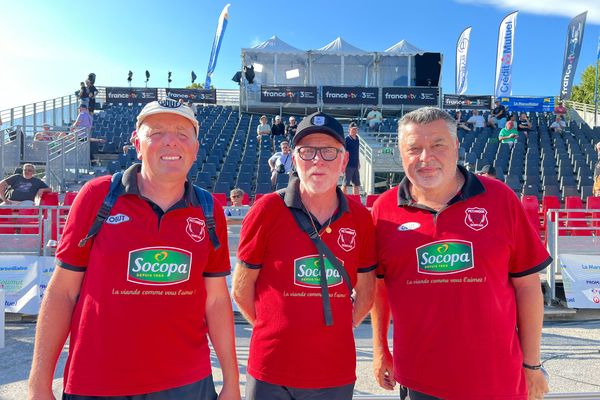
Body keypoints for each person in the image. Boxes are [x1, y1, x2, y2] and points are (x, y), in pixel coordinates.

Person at [28, 99, 240, 400]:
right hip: (97, 382)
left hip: (186, 384)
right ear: (136, 143)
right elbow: (62, 292)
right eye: (156, 132)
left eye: (183, 133)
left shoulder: (209, 210)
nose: (171, 141)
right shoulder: (97, 196)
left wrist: (232, 383)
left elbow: (217, 301)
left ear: (195, 148)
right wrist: (38, 384)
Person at [370, 107, 551, 400]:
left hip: (496, 378)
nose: (425, 158)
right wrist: (380, 350)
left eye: (437, 145)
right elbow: (379, 288)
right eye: (414, 148)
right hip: (420, 380)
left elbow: (528, 286)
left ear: (456, 146)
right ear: (400, 153)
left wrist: (532, 365)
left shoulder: (499, 198)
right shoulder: (385, 210)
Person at [232, 111, 376, 400]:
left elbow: (367, 292)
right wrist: (272, 327)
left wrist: (337, 330)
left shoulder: (361, 218)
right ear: (294, 159)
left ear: (344, 160)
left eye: (328, 151)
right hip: (270, 369)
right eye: (307, 151)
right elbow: (242, 288)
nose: (317, 160)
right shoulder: (266, 211)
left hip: (334, 369)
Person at [341, 122, 361, 195]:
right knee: (345, 183)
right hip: (348, 165)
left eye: (356, 129)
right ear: (349, 130)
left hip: (355, 164)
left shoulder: (357, 139)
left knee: (356, 184)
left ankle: (356, 200)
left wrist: (358, 162)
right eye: (353, 129)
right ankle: (343, 199)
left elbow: (357, 151)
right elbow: (343, 152)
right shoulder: (347, 139)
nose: (355, 131)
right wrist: (344, 164)